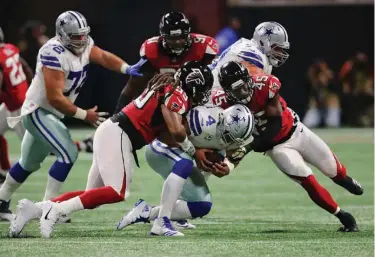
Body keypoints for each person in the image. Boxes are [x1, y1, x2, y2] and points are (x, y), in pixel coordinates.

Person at [10, 61, 213, 238]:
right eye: (203, 89)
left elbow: (164, 134)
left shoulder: (170, 87)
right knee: (118, 191)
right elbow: (176, 132)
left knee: (93, 196)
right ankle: (54, 210)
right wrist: (192, 150)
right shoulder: (176, 93)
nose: (204, 95)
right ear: (193, 84)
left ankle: (34, 209)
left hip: (114, 132)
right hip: (119, 134)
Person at [0, 11, 142, 220]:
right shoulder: (53, 52)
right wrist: (86, 116)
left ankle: (2, 200)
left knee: (27, 163)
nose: (82, 40)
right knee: (68, 153)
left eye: (84, 35)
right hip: (38, 111)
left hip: (50, 113)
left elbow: (102, 56)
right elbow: (55, 97)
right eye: (77, 37)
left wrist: (126, 68)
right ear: (63, 35)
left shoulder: (84, 45)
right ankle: (49, 208)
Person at [215, 61, 363, 232]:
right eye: (237, 90)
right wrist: (229, 164)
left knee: (335, 171)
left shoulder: (265, 85)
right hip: (278, 149)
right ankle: (343, 216)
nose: (244, 92)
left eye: (244, 85)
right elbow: (230, 141)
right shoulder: (225, 107)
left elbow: (275, 125)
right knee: (308, 181)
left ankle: (345, 180)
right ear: (228, 92)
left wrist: (248, 148)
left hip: (296, 132)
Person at [75, 11, 219, 153]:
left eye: (181, 37)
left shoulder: (204, 48)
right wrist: (116, 120)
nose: (177, 42)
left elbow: (213, 81)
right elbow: (132, 86)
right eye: (171, 38)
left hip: (198, 102)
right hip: (167, 104)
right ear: (162, 37)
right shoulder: (153, 50)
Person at [117, 103, 254, 236]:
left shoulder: (232, 135)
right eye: (228, 135)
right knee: (186, 162)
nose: (229, 141)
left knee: (202, 205)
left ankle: (147, 212)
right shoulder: (203, 119)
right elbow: (166, 135)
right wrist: (195, 151)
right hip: (161, 148)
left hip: (184, 155)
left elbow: (231, 155)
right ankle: (161, 223)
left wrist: (226, 167)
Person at [0, 27, 33, 185]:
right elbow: (24, 66)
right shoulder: (10, 48)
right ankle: (4, 170)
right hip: (15, 103)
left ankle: (80, 145)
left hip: (18, 108)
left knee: (38, 148)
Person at [303, 59, 341, 128]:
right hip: (317, 107)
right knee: (308, 124)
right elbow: (312, 93)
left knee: (332, 125)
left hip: (330, 106)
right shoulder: (311, 78)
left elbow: (335, 92)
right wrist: (317, 81)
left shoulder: (331, 77)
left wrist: (327, 80)